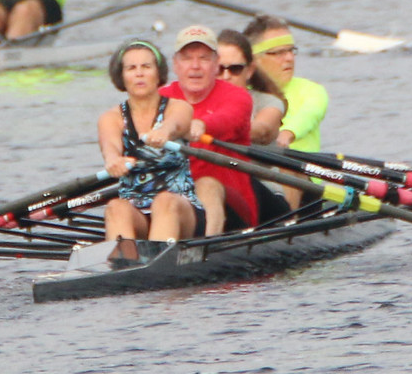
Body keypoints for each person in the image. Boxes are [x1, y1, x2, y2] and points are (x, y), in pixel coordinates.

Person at [98, 40, 203, 245]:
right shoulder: (111, 118)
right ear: (122, 76)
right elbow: (109, 145)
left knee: (164, 201)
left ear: (158, 74)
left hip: (180, 208)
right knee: (115, 206)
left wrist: (164, 131)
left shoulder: (178, 107)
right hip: (137, 212)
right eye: (131, 68)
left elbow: (178, 124)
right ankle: (123, 265)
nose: (139, 73)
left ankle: (156, 267)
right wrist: (112, 160)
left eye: (146, 67)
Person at [157, 25, 258, 236]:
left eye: (204, 58)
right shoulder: (160, 97)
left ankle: (206, 247)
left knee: (206, 184)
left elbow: (228, 120)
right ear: (176, 64)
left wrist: (201, 125)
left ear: (215, 65)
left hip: (234, 208)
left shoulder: (237, 97)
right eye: (187, 58)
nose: (195, 66)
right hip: (173, 200)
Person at [243, 15, 330, 208]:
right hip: (259, 180)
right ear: (254, 60)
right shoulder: (243, 94)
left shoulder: (312, 90)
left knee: (285, 159)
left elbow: (309, 114)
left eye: (291, 50)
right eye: (278, 52)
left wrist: (287, 133)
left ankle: (285, 222)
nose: (289, 58)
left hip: (303, 183)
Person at [216, 29, 287, 147]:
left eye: (235, 69)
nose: (226, 76)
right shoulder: (194, 100)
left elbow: (263, 131)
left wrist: (210, 127)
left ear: (249, 70)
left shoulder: (269, 103)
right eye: (219, 69)